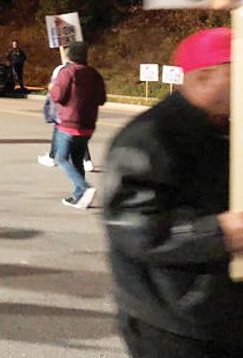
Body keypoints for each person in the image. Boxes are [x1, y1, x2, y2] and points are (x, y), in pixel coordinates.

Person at [104, 28, 243, 357]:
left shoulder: (228, 129)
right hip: (172, 322)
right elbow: (136, 230)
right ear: (204, 78)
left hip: (223, 315)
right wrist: (221, 232)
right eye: (236, 72)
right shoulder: (149, 137)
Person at [48, 40, 105, 209]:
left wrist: (52, 87)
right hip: (88, 125)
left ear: (70, 55)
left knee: (61, 158)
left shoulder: (67, 73)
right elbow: (101, 99)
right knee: (77, 159)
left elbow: (58, 96)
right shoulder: (95, 74)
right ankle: (79, 196)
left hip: (68, 124)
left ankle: (84, 187)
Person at [38, 46, 94, 173]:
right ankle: (86, 160)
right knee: (78, 134)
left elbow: (57, 91)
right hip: (84, 109)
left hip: (67, 110)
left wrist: (50, 105)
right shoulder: (88, 71)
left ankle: (55, 158)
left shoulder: (62, 70)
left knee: (65, 132)